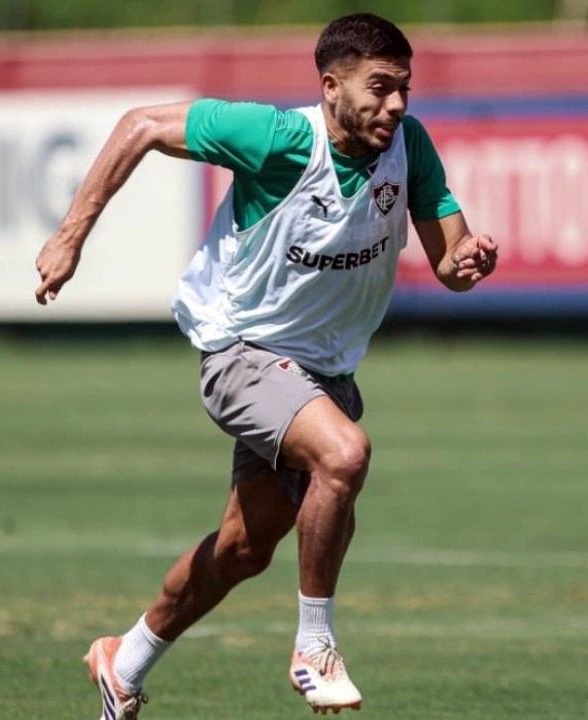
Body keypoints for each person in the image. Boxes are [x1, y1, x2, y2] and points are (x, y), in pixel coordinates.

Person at [34, 12, 498, 718]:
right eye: (380, 88)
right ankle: (315, 645)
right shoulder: (279, 140)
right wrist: (70, 238)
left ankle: (121, 664)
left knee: (244, 550)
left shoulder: (410, 146)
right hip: (241, 351)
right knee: (344, 456)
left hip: (323, 375)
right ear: (331, 86)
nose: (397, 105)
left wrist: (470, 262)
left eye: (405, 88)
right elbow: (139, 125)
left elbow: (449, 262)